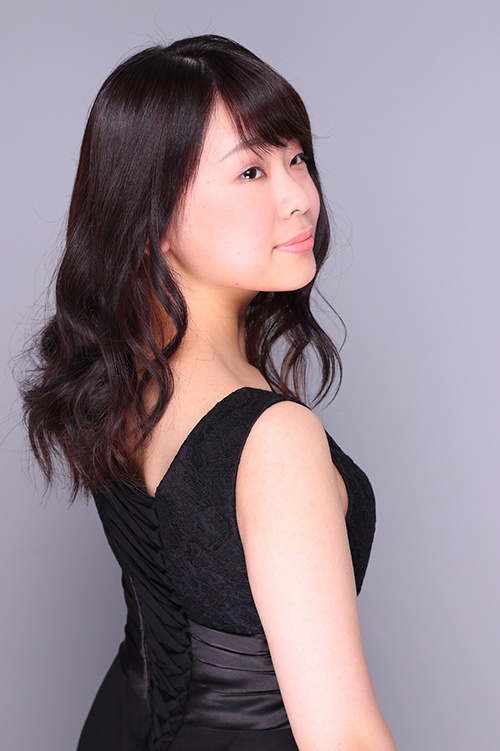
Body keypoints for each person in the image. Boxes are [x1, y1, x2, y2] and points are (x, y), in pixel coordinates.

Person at [20, 34, 397, 751]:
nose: (299, 197)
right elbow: (343, 736)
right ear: (155, 216)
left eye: (296, 158)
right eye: (251, 171)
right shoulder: (274, 438)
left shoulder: (122, 379)